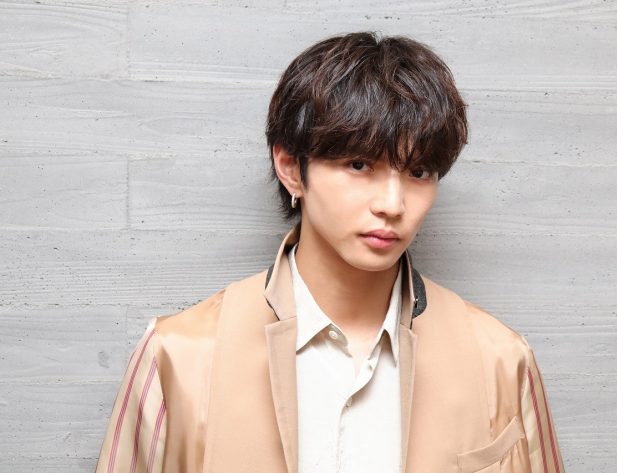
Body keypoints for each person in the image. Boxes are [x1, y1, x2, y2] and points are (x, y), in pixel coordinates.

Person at [95, 31, 565, 473]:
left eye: (419, 172)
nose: (392, 205)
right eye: (359, 164)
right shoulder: (178, 356)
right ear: (290, 168)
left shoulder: (501, 359)